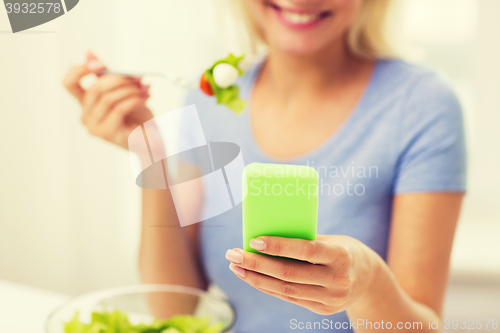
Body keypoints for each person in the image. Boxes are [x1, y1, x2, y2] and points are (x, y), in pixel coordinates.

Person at [63, 0, 466, 332]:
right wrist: (151, 154)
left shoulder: (423, 105)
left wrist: (366, 282)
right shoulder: (210, 98)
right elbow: (175, 310)